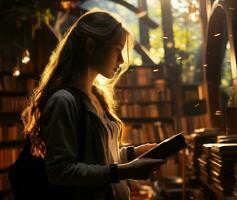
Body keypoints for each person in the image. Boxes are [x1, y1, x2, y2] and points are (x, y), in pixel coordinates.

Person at [21, 9, 165, 200]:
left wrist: (133, 153)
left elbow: (99, 158)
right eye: (117, 49)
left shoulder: (96, 97)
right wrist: (123, 172)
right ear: (91, 46)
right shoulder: (63, 101)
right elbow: (60, 171)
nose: (121, 60)